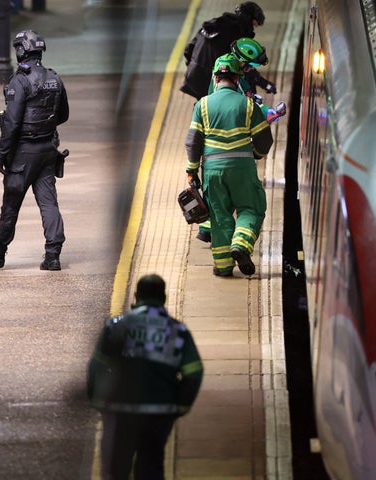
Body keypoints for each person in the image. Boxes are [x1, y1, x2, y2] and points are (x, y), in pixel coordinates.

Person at [87, 274, 203, 480]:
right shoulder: (177, 331)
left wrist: (98, 402)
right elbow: (194, 372)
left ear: (136, 296)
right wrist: (180, 406)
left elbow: (97, 367)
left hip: (120, 409)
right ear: (164, 298)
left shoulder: (115, 326)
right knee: (151, 467)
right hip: (159, 412)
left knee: (116, 468)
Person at [0, 30, 69, 271]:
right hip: (48, 149)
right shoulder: (54, 78)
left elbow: (12, 123)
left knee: (11, 204)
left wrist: (3, 154)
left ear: (21, 50)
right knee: (49, 203)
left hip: (23, 154)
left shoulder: (20, 81)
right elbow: (64, 114)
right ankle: (53, 255)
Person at [185, 54, 273, 277]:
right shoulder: (248, 104)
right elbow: (264, 140)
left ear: (215, 78)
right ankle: (241, 244)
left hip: (212, 171)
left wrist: (191, 170)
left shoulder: (203, 105)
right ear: (237, 79)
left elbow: (193, 142)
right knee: (252, 208)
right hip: (242, 168)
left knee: (219, 215)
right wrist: (256, 154)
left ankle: (223, 267)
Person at [180, 1, 273, 101]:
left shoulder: (213, 24)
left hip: (194, 77)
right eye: (254, 24)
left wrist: (195, 68)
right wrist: (263, 83)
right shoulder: (239, 35)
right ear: (248, 19)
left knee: (205, 109)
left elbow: (188, 50)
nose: (253, 29)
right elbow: (245, 66)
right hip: (213, 82)